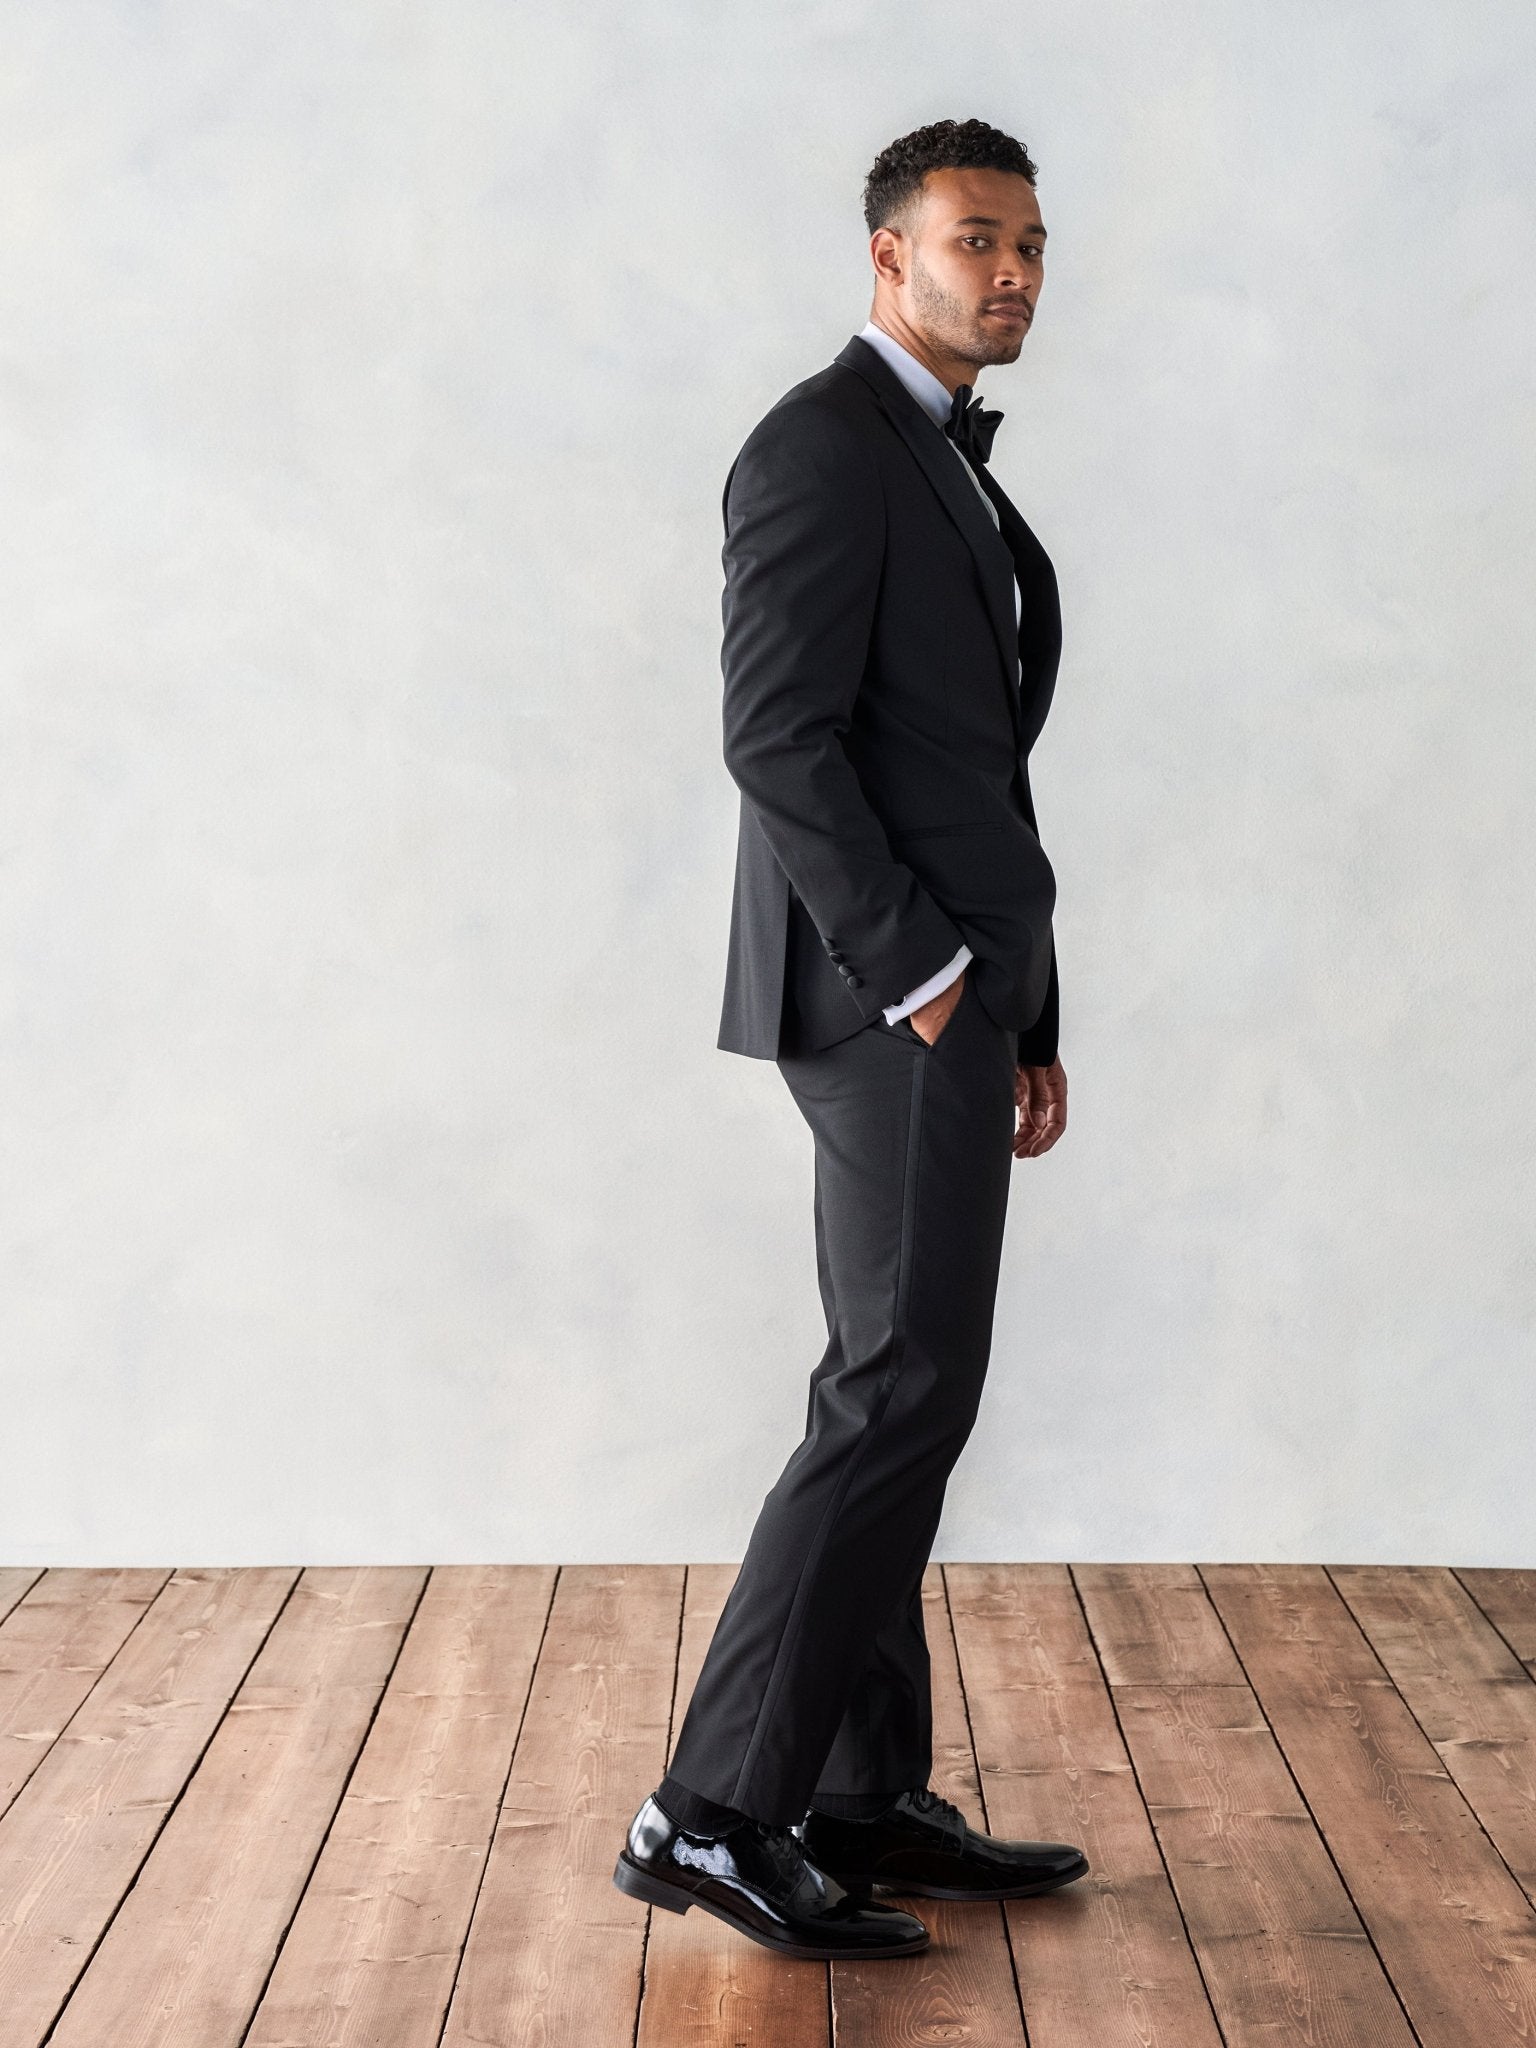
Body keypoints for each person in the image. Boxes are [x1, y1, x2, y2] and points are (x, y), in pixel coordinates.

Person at [613, 117, 1089, 1960]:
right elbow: (778, 739)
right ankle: (712, 1811)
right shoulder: (820, 448)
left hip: (957, 997)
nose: (1016, 272)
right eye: (979, 241)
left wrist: (1025, 1003)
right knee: (899, 1389)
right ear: (889, 257)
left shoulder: (934, 457)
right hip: (886, 999)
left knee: (900, 1385)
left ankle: (853, 1789)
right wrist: (925, 978)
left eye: (1033, 244)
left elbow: (970, 767)